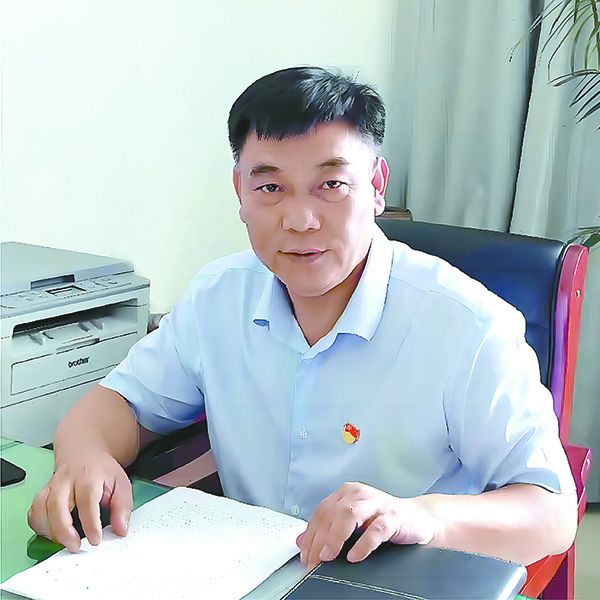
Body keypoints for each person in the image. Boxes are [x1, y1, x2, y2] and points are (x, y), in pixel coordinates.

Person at [28, 66, 577, 570]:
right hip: (245, 571)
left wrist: (420, 517)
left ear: (377, 185)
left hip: (400, 577)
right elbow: (120, 403)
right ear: (240, 191)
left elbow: (550, 513)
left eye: (331, 185)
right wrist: (85, 459)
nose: (300, 219)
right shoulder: (218, 297)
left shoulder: (469, 326)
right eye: (271, 187)